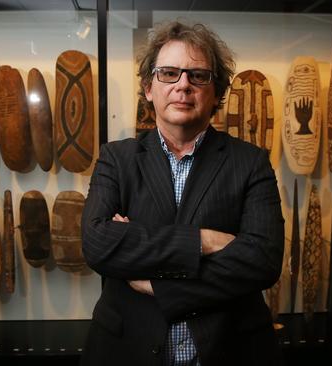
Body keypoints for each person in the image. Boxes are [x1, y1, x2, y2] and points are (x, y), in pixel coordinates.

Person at [81, 21, 285, 366]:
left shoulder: (250, 162)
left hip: (230, 351)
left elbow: (262, 261)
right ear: (148, 88)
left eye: (198, 76)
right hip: (126, 350)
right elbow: (99, 244)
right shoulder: (117, 158)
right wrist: (204, 242)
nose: (183, 85)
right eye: (169, 73)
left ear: (217, 91)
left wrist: (157, 286)